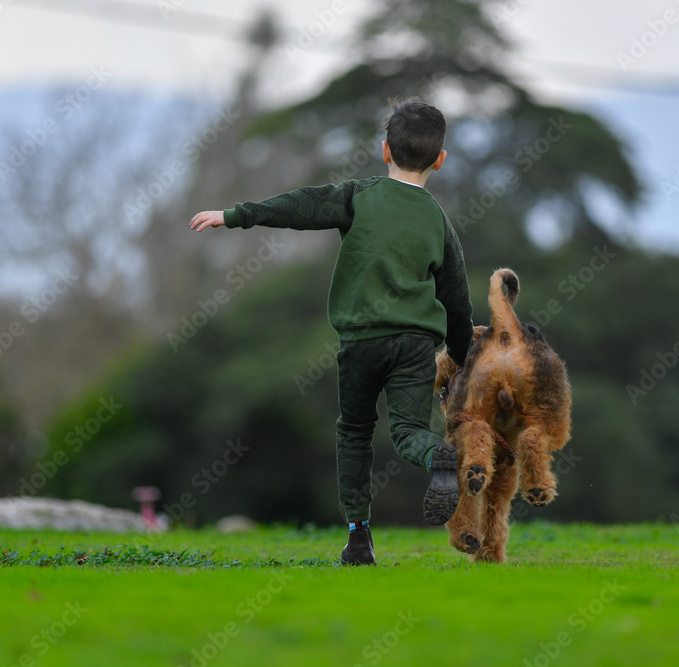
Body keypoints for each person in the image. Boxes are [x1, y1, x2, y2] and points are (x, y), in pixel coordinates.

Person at [189, 98, 474, 566]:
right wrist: (466, 361)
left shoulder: (358, 196)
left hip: (361, 341)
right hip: (416, 345)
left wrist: (237, 214)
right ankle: (436, 458)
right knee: (408, 431)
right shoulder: (440, 223)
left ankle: (359, 539)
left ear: (385, 151)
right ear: (440, 160)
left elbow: (301, 207)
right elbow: (458, 305)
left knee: (355, 434)